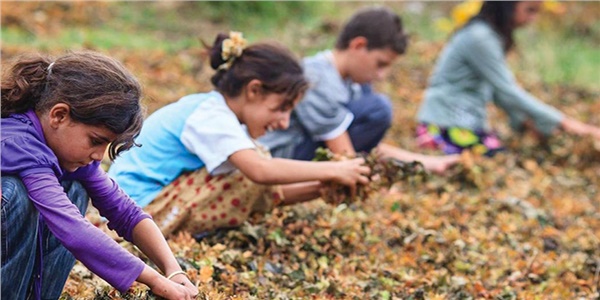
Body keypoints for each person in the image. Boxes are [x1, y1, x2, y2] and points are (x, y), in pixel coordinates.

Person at [108, 32, 370, 236]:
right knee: (249, 171)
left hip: (140, 205)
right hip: (130, 212)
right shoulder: (211, 115)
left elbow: (265, 185)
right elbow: (260, 173)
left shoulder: (217, 113)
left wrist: (321, 187)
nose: (283, 122)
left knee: (251, 164)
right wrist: (334, 170)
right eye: (281, 109)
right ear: (254, 90)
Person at [1, 52, 198, 300]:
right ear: (59, 115)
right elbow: (73, 230)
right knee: (14, 194)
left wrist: (172, 270)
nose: (98, 156)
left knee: (73, 186)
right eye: (96, 141)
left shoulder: (66, 152)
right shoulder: (18, 143)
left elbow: (125, 212)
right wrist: (154, 280)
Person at [258, 6, 460, 174]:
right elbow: (342, 150)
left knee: (373, 108)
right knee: (378, 109)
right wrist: (361, 181)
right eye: (380, 64)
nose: (382, 75)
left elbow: (363, 145)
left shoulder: (353, 84)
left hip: (310, 153)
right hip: (281, 157)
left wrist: (427, 163)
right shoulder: (316, 78)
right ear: (358, 45)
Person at [416, 1, 600, 155]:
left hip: (465, 122)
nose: (533, 18)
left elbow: (498, 92)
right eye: (530, 10)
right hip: (445, 123)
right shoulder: (480, 37)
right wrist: (566, 123)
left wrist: (524, 121)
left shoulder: (489, 36)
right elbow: (508, 90)